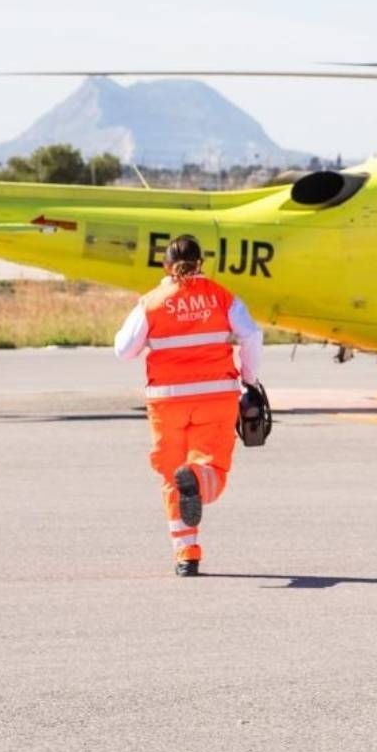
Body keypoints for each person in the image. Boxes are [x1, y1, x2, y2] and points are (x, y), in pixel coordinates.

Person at [114, 234, 263, 577]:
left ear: (166, 266)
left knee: (171, 477)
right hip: (216, 396)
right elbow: (252, 336)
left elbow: (124, 350)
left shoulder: (151, 303)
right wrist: (250, 380)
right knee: (211, 470)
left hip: (167, 401)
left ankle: (186, 552)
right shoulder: (222, 296)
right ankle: (195, 477)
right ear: (201, 264)